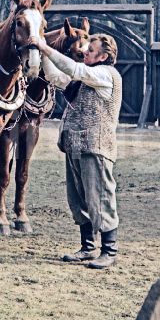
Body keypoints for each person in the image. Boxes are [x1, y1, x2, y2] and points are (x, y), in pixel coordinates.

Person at [36, 31, 123, 269]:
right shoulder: (88, 78)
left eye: (90, 50)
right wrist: (42, 53)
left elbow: (74, 70)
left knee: (100, 198)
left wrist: (44, 47)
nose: (85, 52)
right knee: (78, 200)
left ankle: (109, 251)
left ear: (104, 56)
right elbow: (57, 77)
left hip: (96, 147)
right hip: (75, 146)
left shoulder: (106, 74)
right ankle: (87, 247)